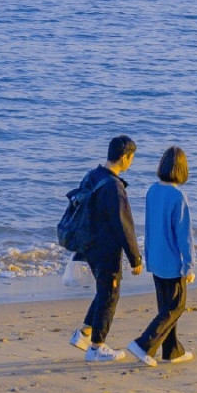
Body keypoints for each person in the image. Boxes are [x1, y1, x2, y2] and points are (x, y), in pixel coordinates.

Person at [69, 135, 143, 363]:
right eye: (131, 158)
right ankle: (97, 347)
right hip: (105, 248)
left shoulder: (93, 174)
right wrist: (135, 259)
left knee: (103, 290)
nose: (131, 162)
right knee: (110, 293)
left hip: (88, 243)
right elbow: (124, 227)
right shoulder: (114, 186)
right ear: (124, 157)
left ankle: (83, 334)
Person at [127, 145, 195, 367]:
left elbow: (149, 227)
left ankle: (171, 351)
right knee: (176, 307)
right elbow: (184, 234)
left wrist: (147, 256)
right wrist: (189, 265)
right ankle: (144, 343)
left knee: (166, 308)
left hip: (156, 259)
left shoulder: (152, 191)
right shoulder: (178, 196)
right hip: (173, 263)